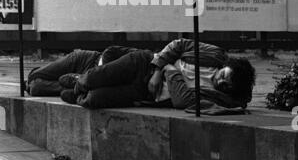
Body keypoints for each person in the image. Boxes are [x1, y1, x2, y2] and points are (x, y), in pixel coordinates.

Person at [56, 39, 256, 112]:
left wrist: (171, 69)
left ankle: (77, 91)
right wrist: (160, 70)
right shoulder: (214, 55)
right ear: (225, 65)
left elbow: (181, 101)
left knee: (94, 99)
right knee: (92, 79)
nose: (219, 81)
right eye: (223, 74)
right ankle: (78, 82)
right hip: (144, 65)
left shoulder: (218, 97)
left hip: (146, 93)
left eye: (225, 84)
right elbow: (178, 45)